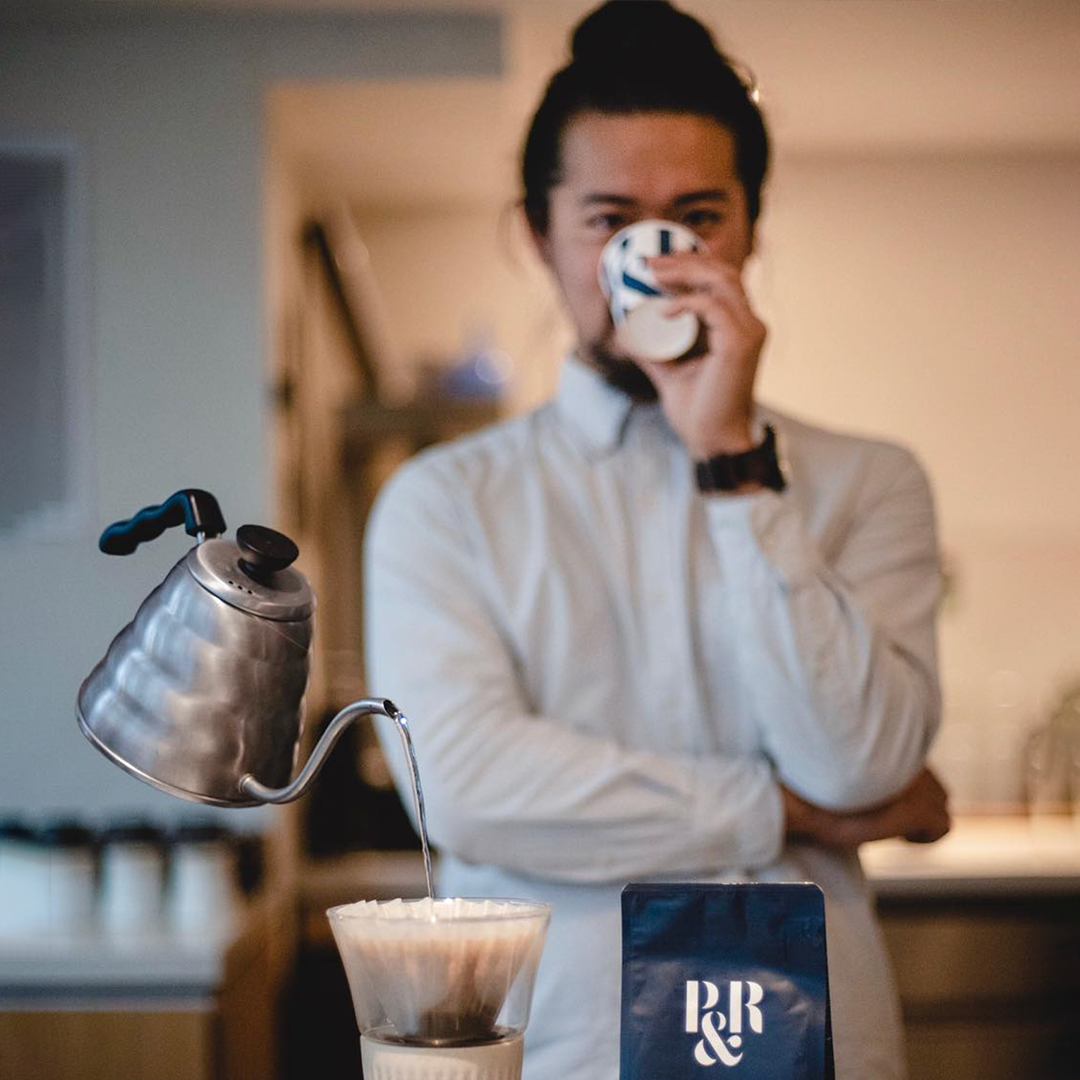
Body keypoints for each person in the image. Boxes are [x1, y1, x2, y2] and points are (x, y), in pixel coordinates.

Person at [364, 3, 950, 1079]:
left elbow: (862, 759)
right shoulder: (445, 501)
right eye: (610, 218)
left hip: (810, 1042)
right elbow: (466, 786)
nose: (655, 254)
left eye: (696, 215)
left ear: (749, 231)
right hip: (556, 1049)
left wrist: (732, 459)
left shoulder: (870, 481)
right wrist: (784, 813)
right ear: (540, 234)